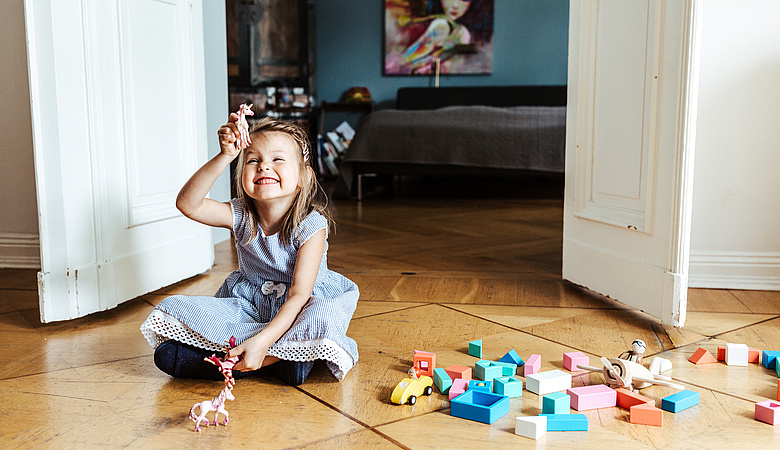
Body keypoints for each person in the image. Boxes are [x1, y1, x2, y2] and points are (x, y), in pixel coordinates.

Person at [140, 114, 359, 386]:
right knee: (175, 307)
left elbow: (300, 295)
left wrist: (264, 341)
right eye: (253, 160)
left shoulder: (311, 225)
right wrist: (225, 156)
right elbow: (188, 204)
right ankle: (282, 360)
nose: (264, 166)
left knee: (322, 315)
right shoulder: (241, 214)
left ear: (303, 176)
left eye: (277, 159)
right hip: (249, 306)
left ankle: (257, 359)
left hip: (298, 306)